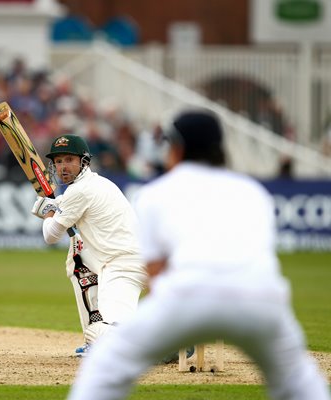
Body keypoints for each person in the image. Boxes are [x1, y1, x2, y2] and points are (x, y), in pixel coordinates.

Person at [67, 109, 330, 400]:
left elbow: (155, 275)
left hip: (187, 298)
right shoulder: (252, 193)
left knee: (105, 365)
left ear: (178, 148)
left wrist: (166, 330)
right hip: (261, 305)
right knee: (299, 381)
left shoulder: (154, 195)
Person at [30, 134, 148, 356]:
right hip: (115, 260)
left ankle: (168, 343)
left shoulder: (80, 190)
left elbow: (51, 236)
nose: (63, 167)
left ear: (83, 161)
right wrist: (51, 208)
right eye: (58, 161)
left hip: (124, 265)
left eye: (68, 160)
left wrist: (47, 214)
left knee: (111, 336)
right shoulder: (95, 183)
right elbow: (62, 207)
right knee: (76, 259)